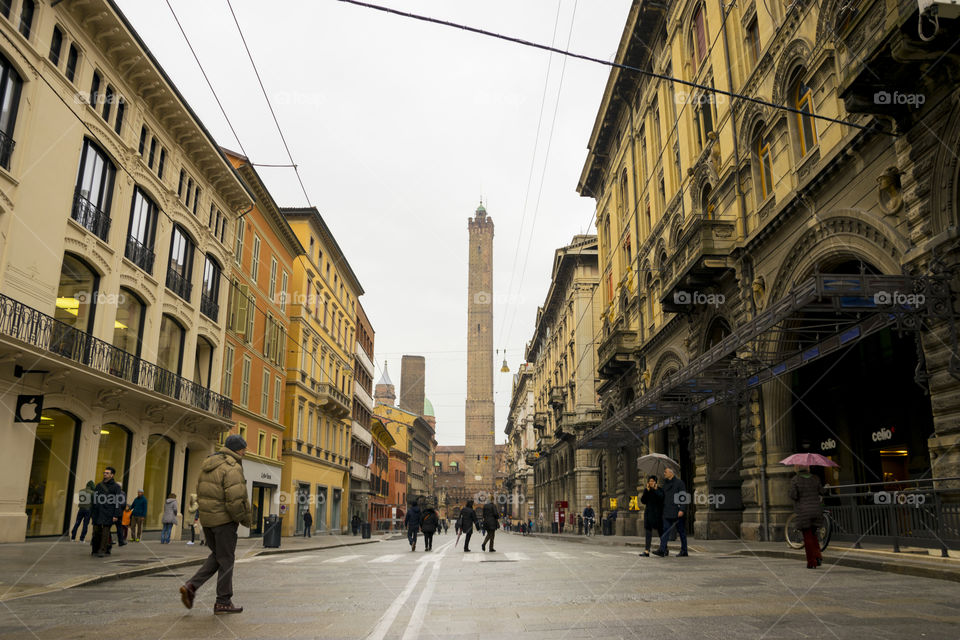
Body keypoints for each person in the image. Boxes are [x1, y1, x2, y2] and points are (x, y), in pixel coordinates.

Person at [179, 435, 252, 615]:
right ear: (237, 449)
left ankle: (191, 586)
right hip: (224, 521)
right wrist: (242, 519)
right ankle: (223, 601)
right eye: (243, 448)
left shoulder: (208, 464)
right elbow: (235, 499)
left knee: (218, 556)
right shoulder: (232, 467)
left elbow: (200, 492)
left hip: (208, 520)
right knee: (226, 560)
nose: (245, 451)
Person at [788, 465, 827, 569]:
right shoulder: (815, 478)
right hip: (816, 510)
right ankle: (818, 556)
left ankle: (811, 562)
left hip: (804, 511)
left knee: (808, 536)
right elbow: (822, 491)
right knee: (814, 535)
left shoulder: (795, 480)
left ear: (797, 469)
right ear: (808, 469)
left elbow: (793, 495)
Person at [653, 467, 688, 557]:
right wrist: (656, 489)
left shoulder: (679, 483)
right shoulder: (665, 484)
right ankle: (662, 549)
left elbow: (683, 497)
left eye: (665, 472)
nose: (664, 473)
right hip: (667, 511)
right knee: (665, 531)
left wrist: (682, 510)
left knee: (681, 532)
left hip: (677, 512)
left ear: (671, 473)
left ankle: (684, 550)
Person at [90, 467, 122, 558]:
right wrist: (92, 511)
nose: (105, 474)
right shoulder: (99, 485)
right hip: (98, 512)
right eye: (104, 472)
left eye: (107, 473)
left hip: (109, 512)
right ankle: (95, 548)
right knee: (96, 531)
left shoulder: (116, 487)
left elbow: (117, 502)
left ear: (112, 475)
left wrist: (116, 514)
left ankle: (102, 550)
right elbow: (94, 499)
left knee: (105, 532)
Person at [639, 475, 664, 557]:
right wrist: (647, 490)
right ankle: (647, 551)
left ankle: (664, 548)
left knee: (661, 532)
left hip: (657, 515)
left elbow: (661, 498)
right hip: (648, 514)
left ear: (655, 482)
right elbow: (643, 501)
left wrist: (656, 490)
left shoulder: (659, 490)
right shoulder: (647, 490)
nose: (651, 482)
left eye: (652, 481)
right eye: (650, 481)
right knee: (648, 532)